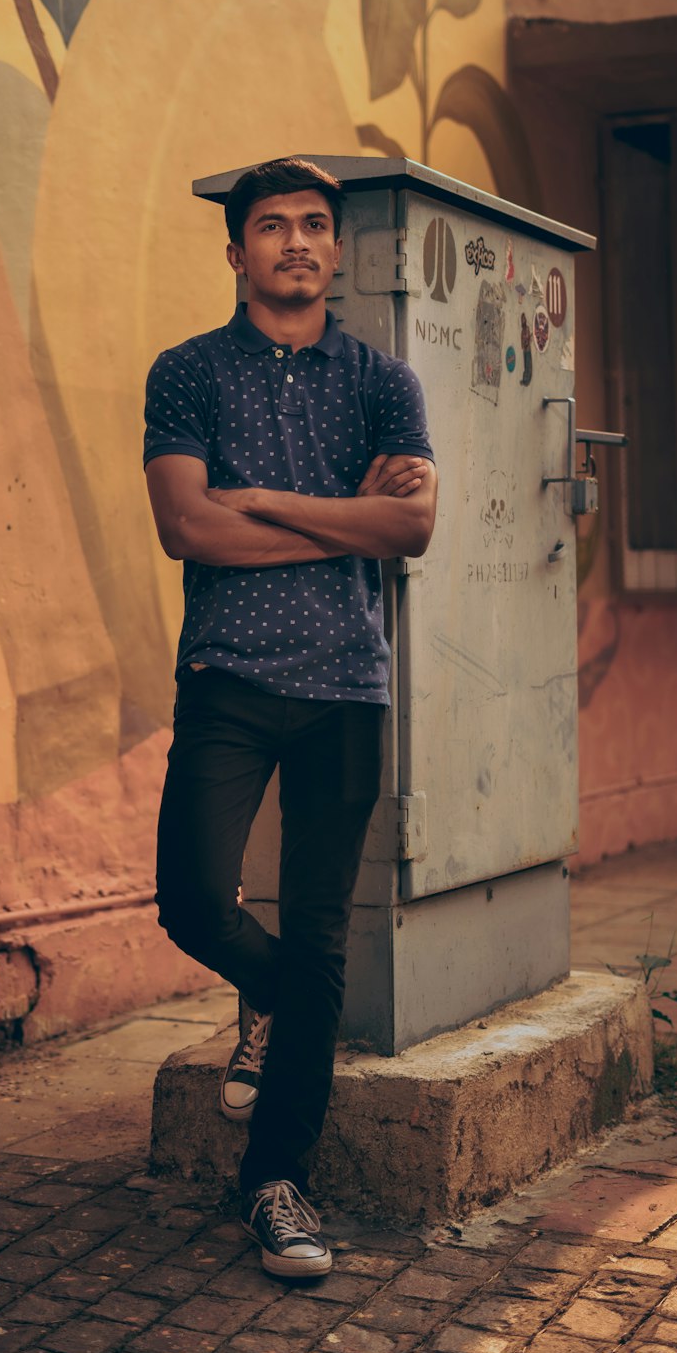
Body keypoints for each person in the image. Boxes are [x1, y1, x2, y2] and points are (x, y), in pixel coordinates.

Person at [143, 157, 436, 1279]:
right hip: (227, 672)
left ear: (336, 249)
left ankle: (277, 1184)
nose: (298, 243)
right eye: (274, 227)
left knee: (319, 939)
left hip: (346, 688)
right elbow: (187, 529)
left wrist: (258, 496)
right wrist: (345, 517)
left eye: (316, 226)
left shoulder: (383, 384)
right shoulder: (188, 374)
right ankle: (258, 996)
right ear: (238, 252)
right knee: (190, 898)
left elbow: (409, 534)